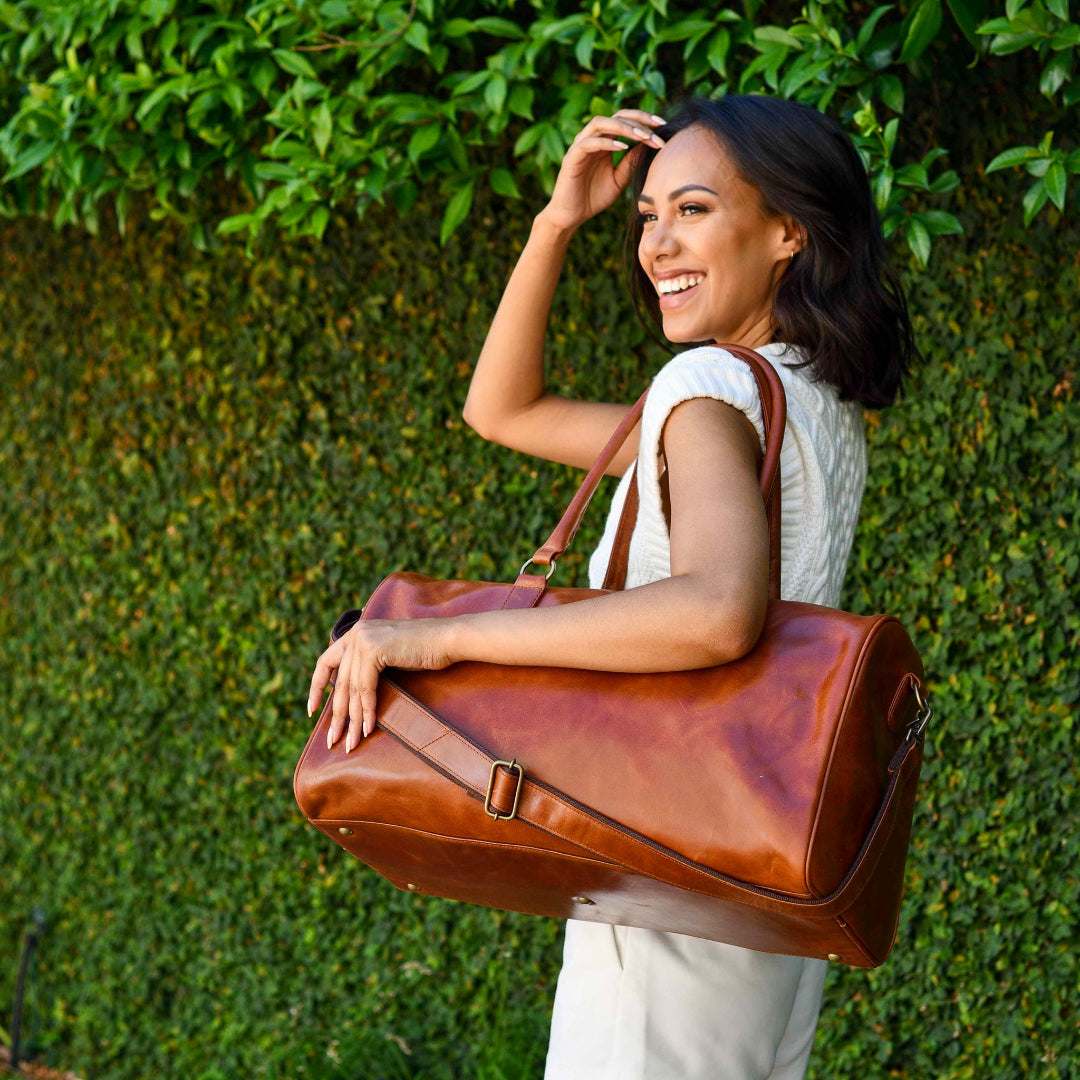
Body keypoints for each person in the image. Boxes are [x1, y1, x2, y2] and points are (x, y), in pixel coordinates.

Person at [308, 94, 917, 1080]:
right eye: (646, 218)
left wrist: (436, 638)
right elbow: (503, 408)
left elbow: (719, 610)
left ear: (788, 230)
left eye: (694, 210)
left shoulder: (709, 389)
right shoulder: (807, 396)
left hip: (665, 869)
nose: (657, 245)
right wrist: (557, 223)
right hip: (765, 869)